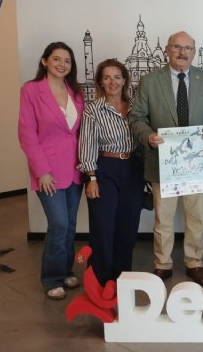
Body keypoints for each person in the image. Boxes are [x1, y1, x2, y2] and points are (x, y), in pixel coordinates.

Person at [130, 31, 203, 287]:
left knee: (195, 217)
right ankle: (163, 264)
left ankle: (194, 262)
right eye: (177, 47)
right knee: (163, 218)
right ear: (167, 50)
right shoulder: (150, 81)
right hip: (164, 162)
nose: (183, 52)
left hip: (195, 162)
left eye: (188, 48)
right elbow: (137, 118)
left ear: (194, 52)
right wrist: (148, 136)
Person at [18, 42, 84, 300]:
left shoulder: (76, 92)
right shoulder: (31, 90)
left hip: (75, 168)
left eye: (67, 60)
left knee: (70, 225)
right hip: (48, 171)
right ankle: (52, 278)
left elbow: (78, 132)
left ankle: (66, 270)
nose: (62, 64)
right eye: (56, 59)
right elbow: (26, 133)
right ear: (44, 61)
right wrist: (41, 171)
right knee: (58, 224)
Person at [78, 59, 144, 286]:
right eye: (107, 77)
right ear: (100, 82)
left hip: (133, 168)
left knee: (128, 226)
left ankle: (121, 279)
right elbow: (87, 144)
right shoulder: (93, 109)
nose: (112, 82)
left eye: (117, 77)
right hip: (105, 168)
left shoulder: (136, 107)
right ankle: (100, 279)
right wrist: (91, 177)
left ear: (125, 80)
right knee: (103, 226)